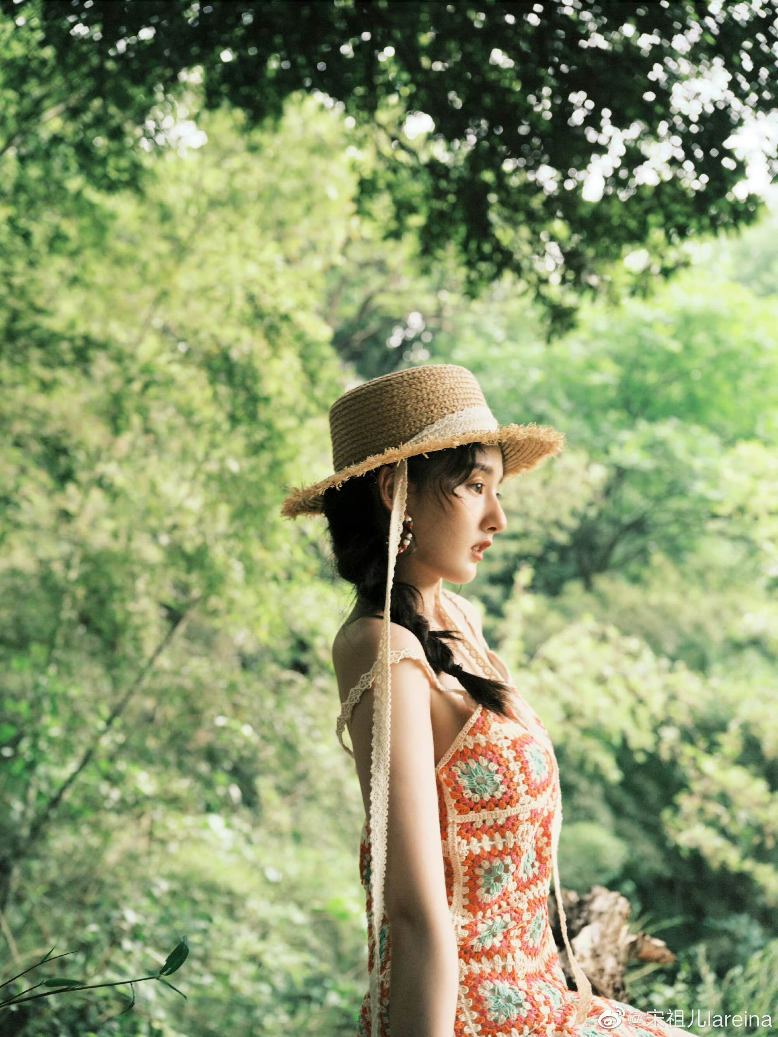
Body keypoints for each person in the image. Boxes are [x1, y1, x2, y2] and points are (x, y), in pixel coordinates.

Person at [281, 365, 685, 1037]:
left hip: (540, 998)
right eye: (474, 486)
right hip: (461, 1016)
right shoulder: (380, 646)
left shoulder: (460, 624)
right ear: (396, 491)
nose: (498, 517)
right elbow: (413, 915)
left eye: (497, 488)